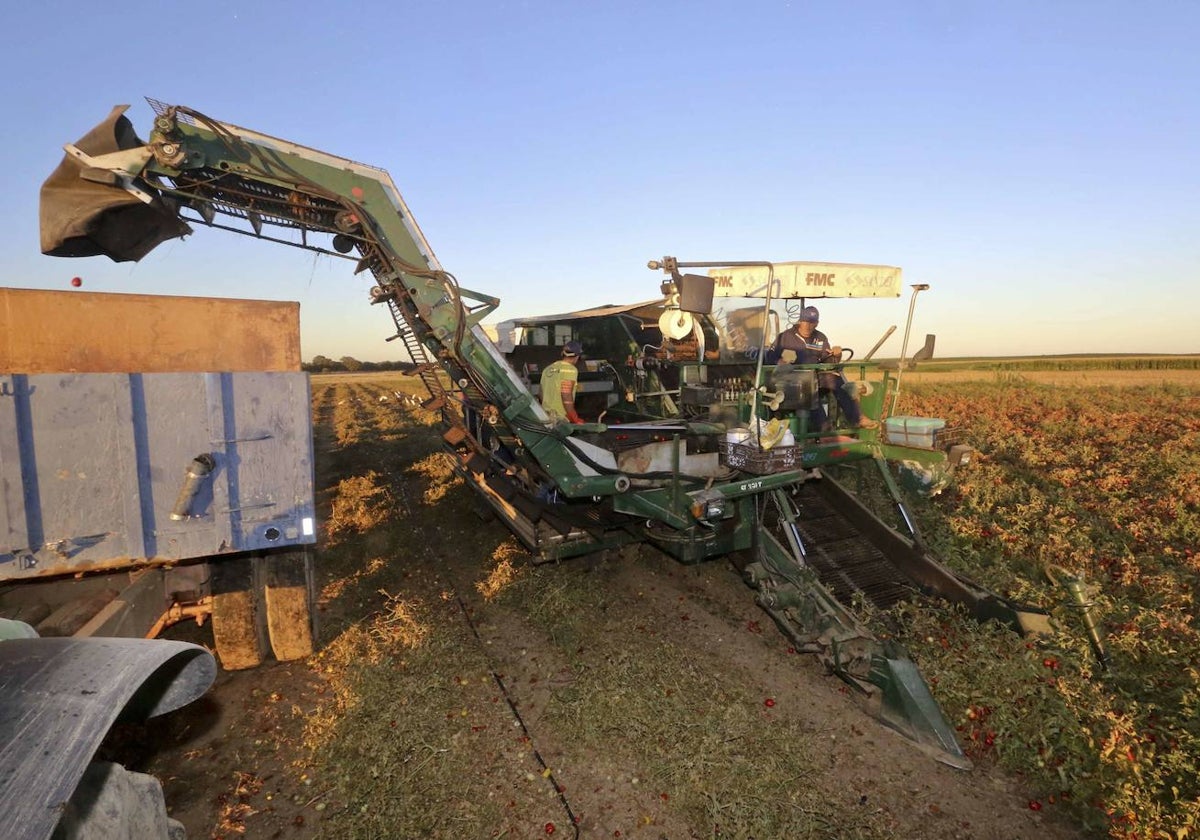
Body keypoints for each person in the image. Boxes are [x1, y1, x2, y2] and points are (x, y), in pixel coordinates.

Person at [765, 305, 877, 430]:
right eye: (806, 321)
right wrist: (779, 361)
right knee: (809, 387)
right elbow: (769, 357)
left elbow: (829, 361)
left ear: (817, 323)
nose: (808, 326)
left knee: (836, 380)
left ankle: (858, 418)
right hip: (791, 380)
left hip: (816, 376)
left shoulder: (821, 338)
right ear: (800, 321)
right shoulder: (785, 337)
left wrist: (837, 354)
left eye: (812, 322)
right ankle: (824, 428)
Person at [540, 340, 585, 424]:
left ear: (563, 353)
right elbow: (566, 395)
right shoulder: (570, 370)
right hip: (559, 419)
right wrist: (573, 417)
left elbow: (541, 393)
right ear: (577, 356)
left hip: (546, 416)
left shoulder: (547, 369)